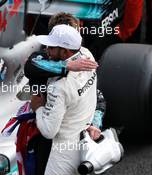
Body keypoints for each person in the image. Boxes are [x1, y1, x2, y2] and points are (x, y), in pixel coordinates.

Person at [24, 13, 104, 175]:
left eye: (52, 46)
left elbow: (48, 131)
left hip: (60, 151)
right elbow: (30, 66)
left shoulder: (59, 87)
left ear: (66, 50)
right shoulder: (88, 55)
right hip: (84, 145)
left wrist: (38, 107)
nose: (47, 50)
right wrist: (66, 66)